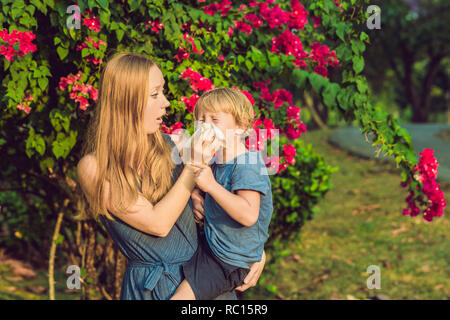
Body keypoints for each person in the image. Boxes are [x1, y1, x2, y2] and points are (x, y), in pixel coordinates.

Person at [76, 52, 265, 300]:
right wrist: (193, 166)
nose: (165, 102)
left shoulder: (176, 146)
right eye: (154, 94)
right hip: (152, 290)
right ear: (126, 101)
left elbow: (235, 201)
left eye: (162, 92)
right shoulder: (94, 168)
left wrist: (255, 251)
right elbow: (158, 224)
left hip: (205, 282)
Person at [170, 88, 273, 300]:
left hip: (229, 261)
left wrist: (211, 187)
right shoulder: (218, 163)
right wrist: (197, 193)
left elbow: (248, 215)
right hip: (215, 249)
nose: (205, 126)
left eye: (214, 119)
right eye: (200, 120)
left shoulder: (248, 164)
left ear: (241, 127)